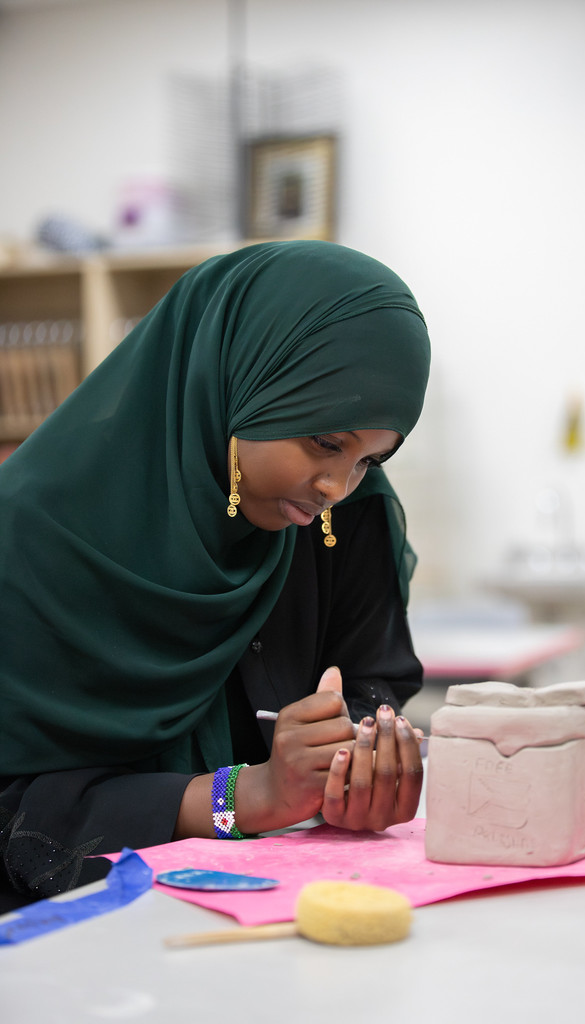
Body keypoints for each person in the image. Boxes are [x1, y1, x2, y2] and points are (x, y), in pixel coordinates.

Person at [0, 240, 431, 911]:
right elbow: (17, 817)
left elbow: (370, 676)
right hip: (81, 940)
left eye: (370, 460)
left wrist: (351, 760)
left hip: (290, 908)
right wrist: (245, 796)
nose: (336, 486)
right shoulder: (33, 533)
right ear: (235, 377)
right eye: (325, 442)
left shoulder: (344, 518)